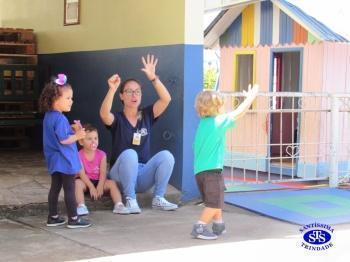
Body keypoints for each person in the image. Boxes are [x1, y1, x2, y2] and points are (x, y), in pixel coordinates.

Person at [100, 54, 178, 213]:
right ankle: (130, 199)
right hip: (120, 175)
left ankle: (159, 198)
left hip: (141, 175)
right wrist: (112, 89)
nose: (134, 95)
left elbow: (166, 99)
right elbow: (104, 114)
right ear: (121, 96)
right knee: (129, 154)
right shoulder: (118, 119)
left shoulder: (147, 115)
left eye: (137, 92)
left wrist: (153, 78)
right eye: (129, 91)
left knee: (167, 156)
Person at [191, 84, 259, 240]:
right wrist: (250, 98)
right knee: (214, 202)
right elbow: (239, 113)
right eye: (221, 105)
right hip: (212, 171)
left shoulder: (203, 124)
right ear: (216, 107)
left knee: (214, 200)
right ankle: (200, 227)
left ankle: (218, 224)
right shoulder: (218, 121)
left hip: (200, 172)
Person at [39, 73, 91, 228]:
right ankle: (74, 219)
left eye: (71, 98)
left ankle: (53, 216)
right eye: (68, 98)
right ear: (55, 99)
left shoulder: (49, 116)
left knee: (55, 187)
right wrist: (78, 135)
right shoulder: (60, 118)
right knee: (70, 188)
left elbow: (57, 134)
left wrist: (71, 128)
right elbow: (63, 140)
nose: (71, 101)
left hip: (54, 159)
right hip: (65, 160)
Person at [75, 124, 130, 215]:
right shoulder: (78, 155)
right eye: (89, 139)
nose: (93, 141)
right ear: (81, 142)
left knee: (112, 183)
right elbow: (82, 174)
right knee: (77, 184)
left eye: (96, 138)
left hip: (99, 180)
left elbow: (103, 172)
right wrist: (91, 187)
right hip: (85, 181)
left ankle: (119, 205)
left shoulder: (102, 155)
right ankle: (81, 206)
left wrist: (100, 186)